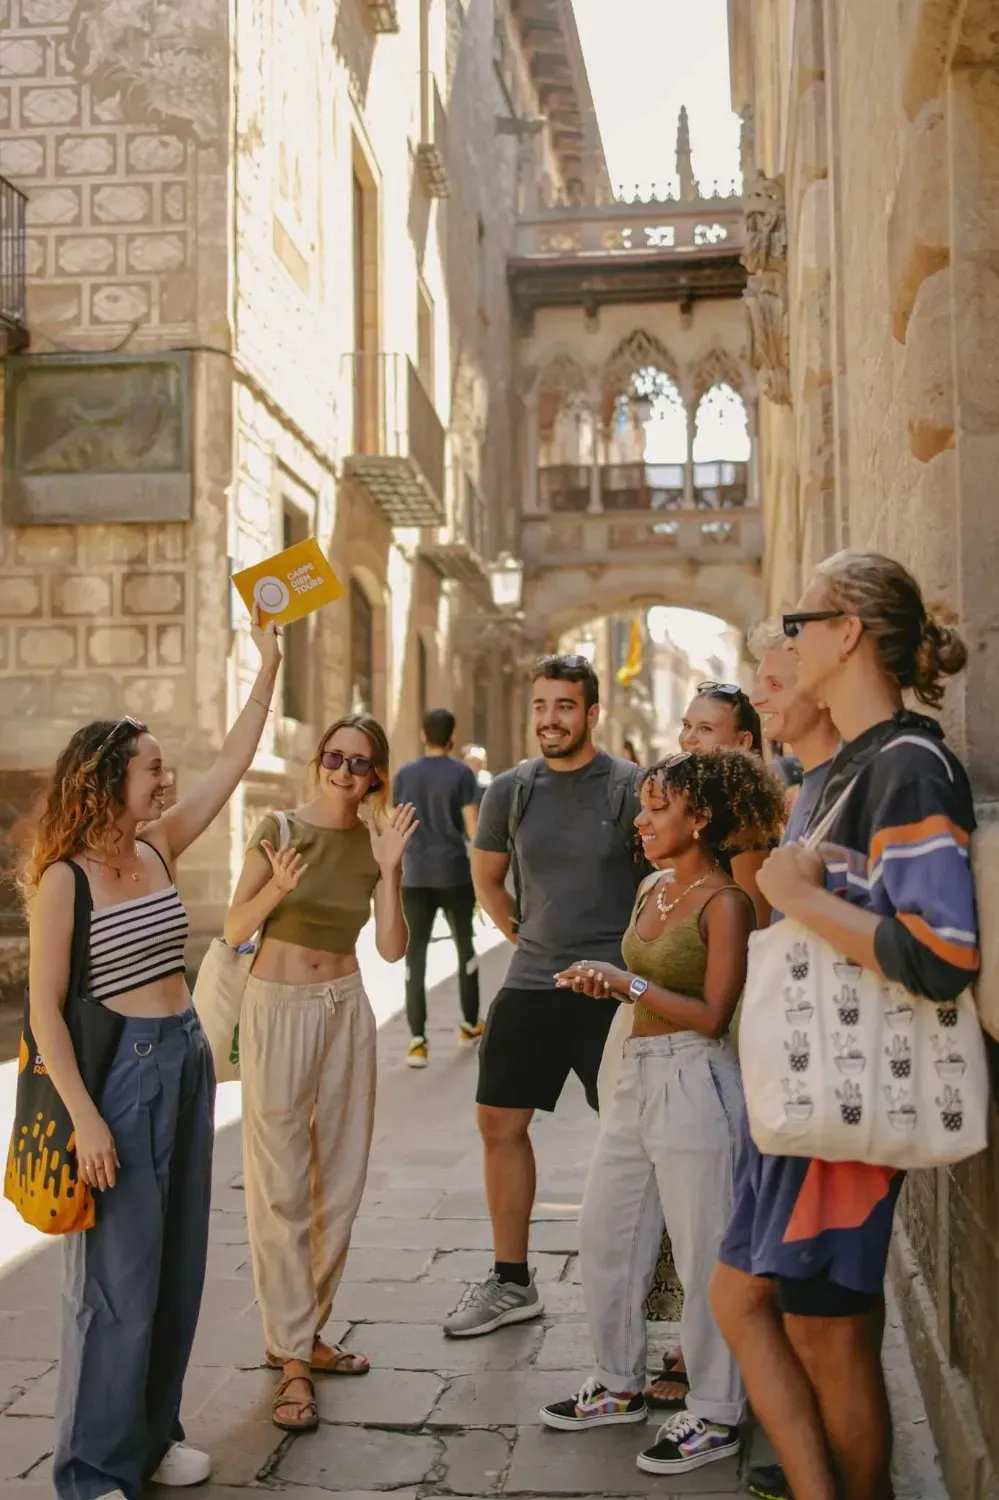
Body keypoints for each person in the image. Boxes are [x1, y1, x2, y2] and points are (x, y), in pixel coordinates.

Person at [710, 552, 977, 1500]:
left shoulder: (908, 765)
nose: (786, 640)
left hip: (851, 1095)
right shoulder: (850, 767)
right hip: (813, 1074)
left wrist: (798, 898)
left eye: (799, 620)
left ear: (846, 634)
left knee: (822, 1327)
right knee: (787, 1313)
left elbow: (943, 952)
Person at [23, 615, 281, 1500]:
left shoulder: (157, 846)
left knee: (175, 1268)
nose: (166, 779)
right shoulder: (66, 879)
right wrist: (88, 1118)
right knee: (115, 1284)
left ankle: (154, 1433)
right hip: (121, 1077)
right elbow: (45, 1013)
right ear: (107, 781)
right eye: (150, 768)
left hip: (186, 1056)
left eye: (164, 768)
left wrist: (267, 664)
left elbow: (233, 765)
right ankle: (94, 1466)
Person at [539, 750, 785, 1479]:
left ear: (699, 817)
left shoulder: (725, 903)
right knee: (605, 1233)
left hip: (695, 1081)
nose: (640, 820)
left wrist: (628, 982)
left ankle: (715, 1411)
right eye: (642, 806)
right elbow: (639, 986)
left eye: (656, 806)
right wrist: (607, 984)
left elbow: (713, 1013)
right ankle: (618, 1384)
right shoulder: (651, 887)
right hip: (637, 1080)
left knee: (706, 1249)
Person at [223, 714, 416, 1432]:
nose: (343, 770)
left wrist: (392, 869)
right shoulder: (276, 825)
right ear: (317, 762)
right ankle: (293, 1357)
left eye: (358, 762)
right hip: (276, 1006)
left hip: (345, 1006)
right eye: (333, 757)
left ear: (376, 775)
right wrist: (275, 889)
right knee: (279, 1185)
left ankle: (306, 1330)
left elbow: (393, 950)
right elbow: (234, 928)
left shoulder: (375, 841)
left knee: (338, 1177)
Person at [443, 653, 645, 1338]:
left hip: (611, 991)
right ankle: (511, 1282)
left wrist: (627, 966)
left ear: (591, 713)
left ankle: (655, 1295)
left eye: (563, 706)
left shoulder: (627, 787)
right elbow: (488, 875)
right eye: (539, 707)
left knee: (636, 1138)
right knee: (498, 1124)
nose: (549, 719)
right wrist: (521, 934)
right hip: (533, 983)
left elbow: (656, 888)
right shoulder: (510, 789)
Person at [393, 709, 482, 1068]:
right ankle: (469, 1024)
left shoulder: (404, 776)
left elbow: (396, 823)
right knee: (466, 950)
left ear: (421, 734)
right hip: (454, 873)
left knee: (415, 958)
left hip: (415, 875)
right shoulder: (462, 773)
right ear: (452, 737)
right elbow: (473, 829)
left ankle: (417, 1041)